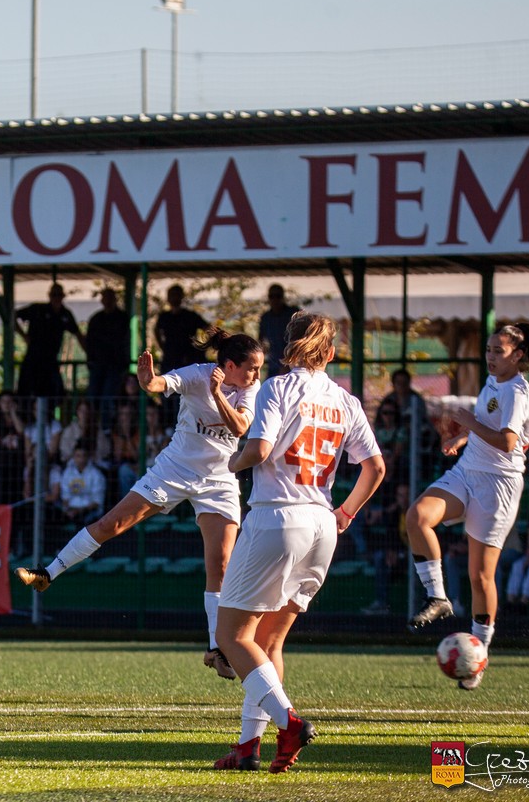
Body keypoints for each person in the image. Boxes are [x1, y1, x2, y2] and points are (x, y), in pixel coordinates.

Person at [17, 328, 265, 681]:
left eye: (258, 369)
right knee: (111, 525)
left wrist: (216, 394)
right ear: (229, 364)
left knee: (221, 563)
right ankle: (47, 573)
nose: (256, 376)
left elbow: (240, 427)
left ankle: (216, 648)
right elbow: (158, 386)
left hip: (218, 480)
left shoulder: (247, 390)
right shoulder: (197, 374)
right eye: (252, 368)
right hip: (174, 469)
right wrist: (148, 380)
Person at [212, 312, 385, 773]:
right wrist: (345, 513)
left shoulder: (278, 388)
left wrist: (232, 463)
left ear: (287, 345)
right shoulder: (345, 401)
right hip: (322, 523)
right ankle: (248, 748)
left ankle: (289, 723)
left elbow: (260, 450)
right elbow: (375, 468)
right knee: (269, 643)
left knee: (232, 637)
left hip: (276, 517)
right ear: (330, 353)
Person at [404, 322, 529, 690]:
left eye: (499, 351)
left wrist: (468, 423)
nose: (491, 356)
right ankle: (439, 597)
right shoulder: (494, 380)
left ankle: (479, 657)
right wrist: (463, 437)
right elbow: (487, 424)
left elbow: (508, 442)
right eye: (489, 349)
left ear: (519, 355)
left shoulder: (517, 391)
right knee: (417, 516)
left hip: (498, 485)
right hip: (467, 472)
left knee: (481, 576)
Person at [15, 283, 82, 400]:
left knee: (54, 393)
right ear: (49, 296)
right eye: (54, 295)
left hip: (50, 361)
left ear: (63, 296)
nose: (56, 298)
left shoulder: (65, 314)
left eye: (59, 295)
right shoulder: (37, 309)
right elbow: (12, 316)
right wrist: (23, 335)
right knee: (27, 392)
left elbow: (78, 334)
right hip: (33, 359)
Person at [360, 483, 409, 616]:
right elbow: (390, 536)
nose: (403, 499)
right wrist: (390, 551)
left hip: (414, 554)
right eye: (400, 496)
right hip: (399, 554)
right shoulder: (394, 514)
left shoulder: (417, 512)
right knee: (380, 557)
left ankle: (424, 603)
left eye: (406, 496)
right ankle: (382, 604)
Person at [86, 288, 132, 427]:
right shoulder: (96, 319)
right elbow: (89, 342)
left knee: (108, 398)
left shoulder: (122, 318)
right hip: (97, 366)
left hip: (115, 367)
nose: (107, 301)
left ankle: (107, 428)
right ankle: (90, 428)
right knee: (92, 398)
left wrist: (123, 363)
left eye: (110, 298)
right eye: (105, 298)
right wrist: (91, 361)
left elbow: (125, 342)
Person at [154, 284, 210, 374]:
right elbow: (156, 330)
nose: (174, 298)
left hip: (188, 359)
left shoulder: (190, 316)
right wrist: (163, 347)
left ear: (181, 297)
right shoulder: (164, 317)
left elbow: (208, 329)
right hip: (170, 359)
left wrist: (201, 349)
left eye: (176, 295)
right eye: (172, 295)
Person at [258, 284, 300, 378]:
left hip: (293, 365)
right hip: (273, 365)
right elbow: (261, 341)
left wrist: (289, 363)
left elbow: (300, 340)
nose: (275, 299)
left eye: (278, 296)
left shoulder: (293, 314)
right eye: (272, 296)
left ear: (283, 297)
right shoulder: (266, 318)